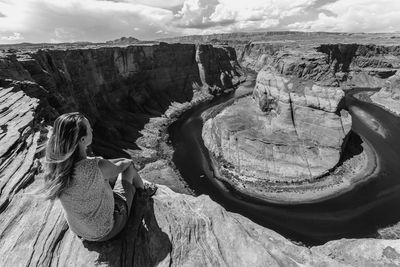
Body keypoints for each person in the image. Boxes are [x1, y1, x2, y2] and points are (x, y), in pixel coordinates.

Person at [40, 112, 157, 242]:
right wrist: (127, 161)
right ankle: (144, 192)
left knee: (106, 178)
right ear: (82, 140)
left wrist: (104, 162)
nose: (92, 129)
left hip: (79, 230)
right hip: (106, 230)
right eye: (89, 127)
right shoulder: (94, 167)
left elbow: (101, 165)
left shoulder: (56, 166)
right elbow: (123, 165)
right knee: (129, 169)